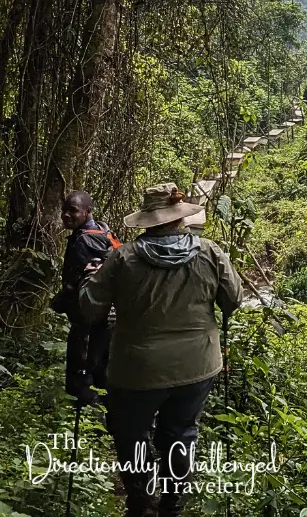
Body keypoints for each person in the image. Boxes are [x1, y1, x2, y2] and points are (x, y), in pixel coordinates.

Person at [80, 183, 244, 517]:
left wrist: (87, 280)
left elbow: (89, 309)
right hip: (197, 364)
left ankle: (141, 504)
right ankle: (173, 502)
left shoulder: (123, 257)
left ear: (148, 220)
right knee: (181, 431)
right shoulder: (210, 253)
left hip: (136, 368)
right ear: (180, 218)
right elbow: (233, 300)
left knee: (133, 435)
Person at [51, 191, 120, 406]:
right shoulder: (101, 231)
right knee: (102, 371)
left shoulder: (85, 241)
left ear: (87, 211)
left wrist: (66, 299)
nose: (66, 215)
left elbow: (89, 285)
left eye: (72, 210)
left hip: (90, 321)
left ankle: (86, 423)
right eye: (64, 210)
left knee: (82, 376)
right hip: (107, 320)